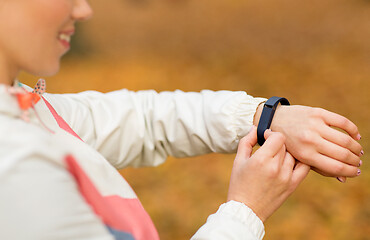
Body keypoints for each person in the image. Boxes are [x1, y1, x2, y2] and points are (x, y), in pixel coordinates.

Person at [0, 0, 363, 239]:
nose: (83, 10)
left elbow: (141, 119)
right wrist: (245, 210)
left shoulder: (23, 106)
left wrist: (266, 117)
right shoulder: (14, 165)